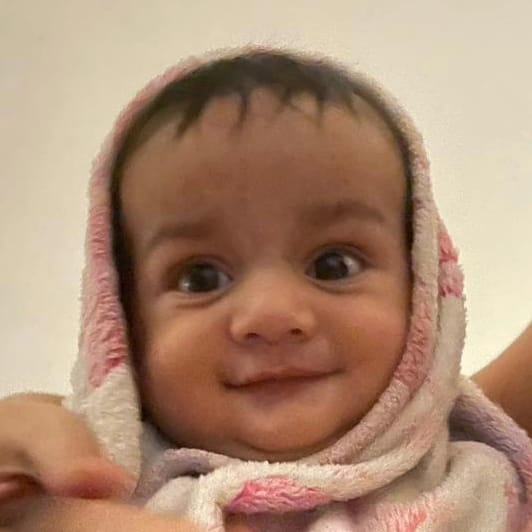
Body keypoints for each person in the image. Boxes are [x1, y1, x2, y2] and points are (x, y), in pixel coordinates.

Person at [1, 49, 531, 531]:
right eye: (200, 278)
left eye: (334, 265)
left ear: (424, 297)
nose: (271, 314)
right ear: (122, 329)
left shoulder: (485, 484)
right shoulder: (95, 501)